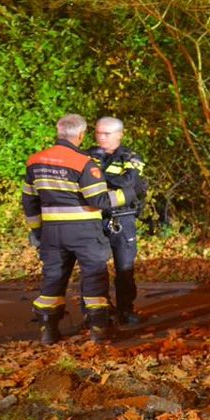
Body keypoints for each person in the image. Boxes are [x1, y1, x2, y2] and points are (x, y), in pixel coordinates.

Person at [22, 114, 136, 344]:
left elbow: (29, 201)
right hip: (84, 231)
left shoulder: (35, 161)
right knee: (94, 277)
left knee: (52, 278)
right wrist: (129, 194)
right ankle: (99, 332)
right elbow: (99, 200)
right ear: (81, 135)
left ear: (59, 131)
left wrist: (37, 231)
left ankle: (48, 331)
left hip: (52, 233)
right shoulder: (83, 163)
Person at [89, 116, 148, 326]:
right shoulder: (87, 155)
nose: (101, 138)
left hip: (123, 219)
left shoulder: (130, 156)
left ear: (119, 135)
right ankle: (99, 313)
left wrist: (98, 175)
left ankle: (126, 309)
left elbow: (129, 182)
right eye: (98, 133)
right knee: (94, 269)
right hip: (94, 218)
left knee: (124, 268)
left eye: (106, 134)